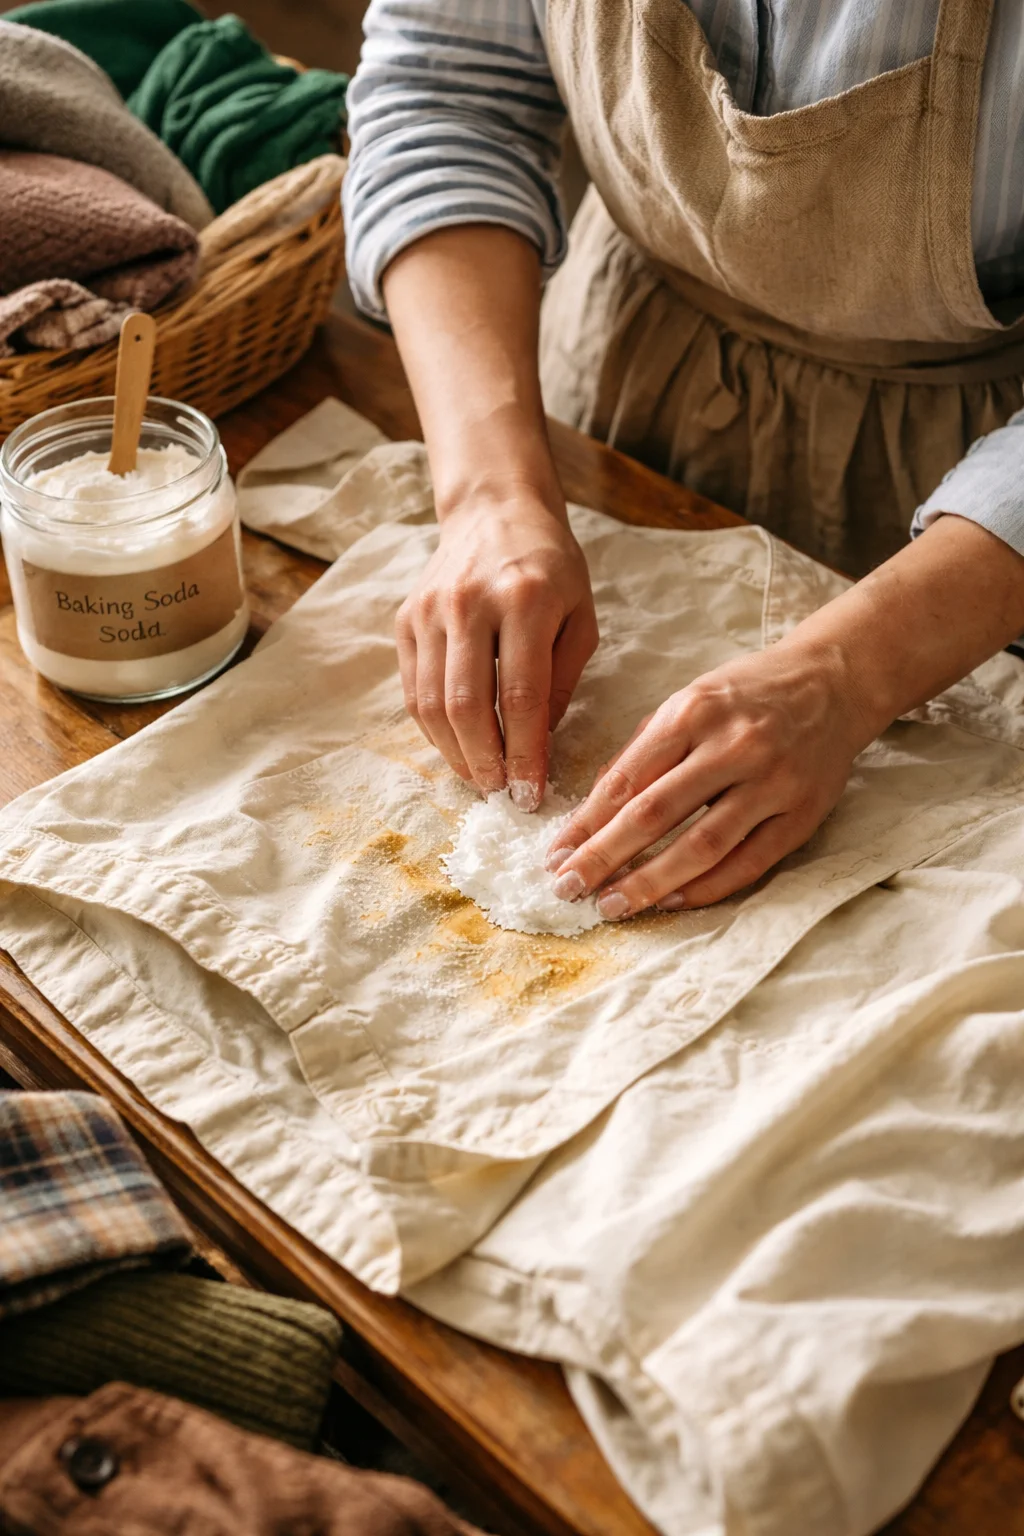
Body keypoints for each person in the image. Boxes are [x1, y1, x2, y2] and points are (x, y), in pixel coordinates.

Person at [343, 0, 1024, 919]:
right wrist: (489, 497)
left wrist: (851, 673)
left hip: (976, 529)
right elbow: (448, 92)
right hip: (618, 394)